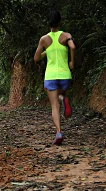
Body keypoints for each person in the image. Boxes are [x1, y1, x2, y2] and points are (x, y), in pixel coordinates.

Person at [34, 10, 76, 145]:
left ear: (48, 23)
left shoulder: (44, 39)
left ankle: (59, 132)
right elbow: (73, 47)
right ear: (60, 22)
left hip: (51, 76)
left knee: (54, 106)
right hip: (65, 76)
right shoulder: (66, 35)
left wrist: (47, 52)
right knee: (61, 94)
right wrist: (72, 62)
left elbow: (36, 58)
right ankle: (63, 97)